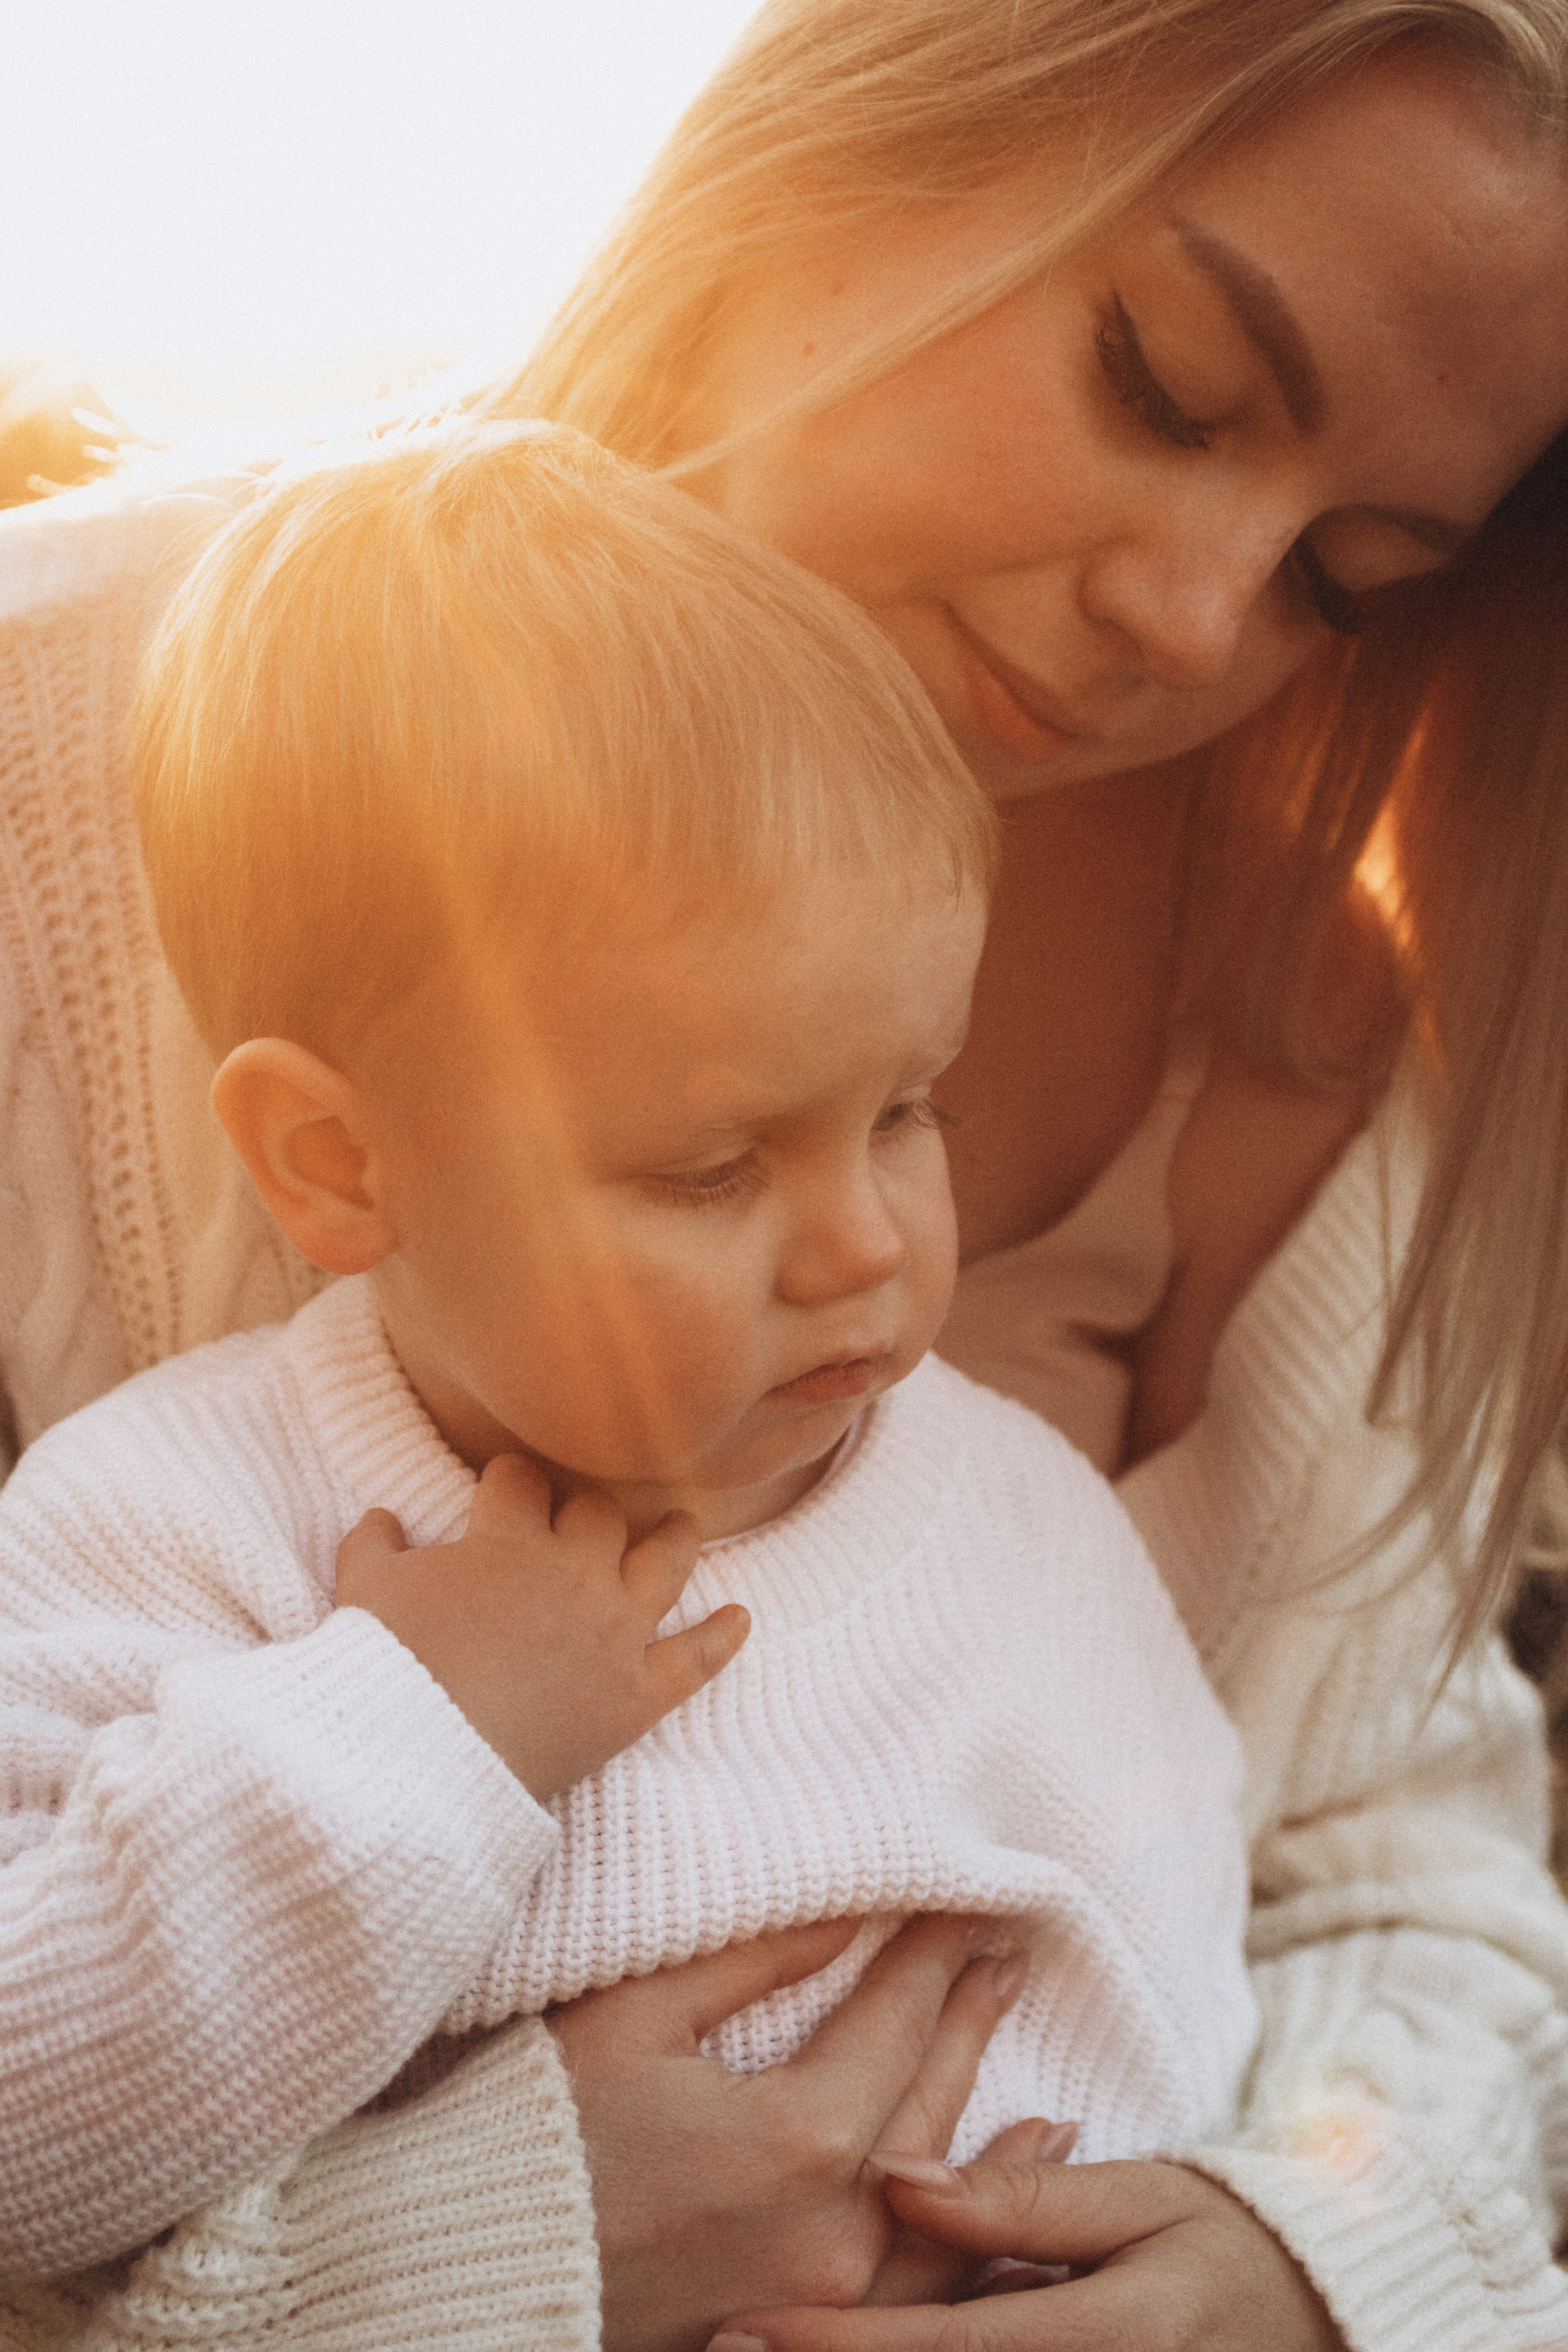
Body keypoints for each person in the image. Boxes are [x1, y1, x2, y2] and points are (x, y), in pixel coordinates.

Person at [1, 1, 1566, 2348]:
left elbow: (1408, 1891)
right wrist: (430, 2273)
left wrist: (1304, 2264)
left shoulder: (1320, 1056)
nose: (1192, 614)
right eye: (1160, 376)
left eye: (1345, 573)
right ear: (867, 122)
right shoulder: (51, 768)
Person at [0, 418, 1255, 2270]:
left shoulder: (1017, 1516)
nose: (865, 1243)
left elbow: (1186, 1989)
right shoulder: (166, 1530)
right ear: (341, 1167)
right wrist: (414, 1739)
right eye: (714, 1163)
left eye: (909, 1107)